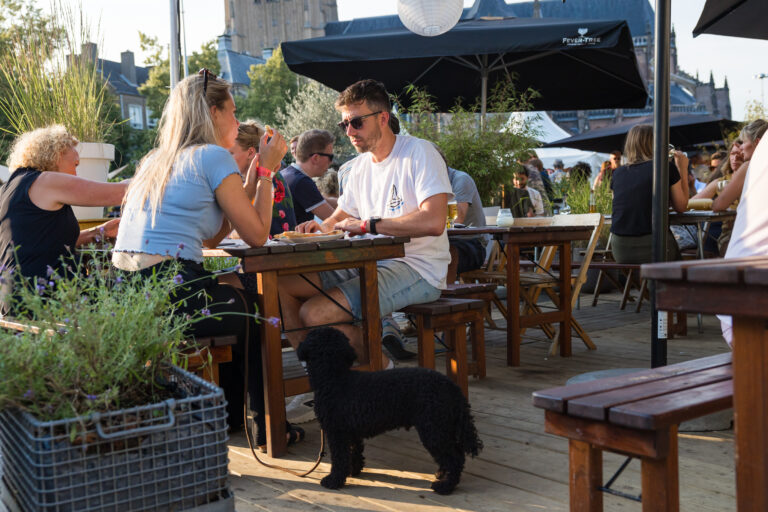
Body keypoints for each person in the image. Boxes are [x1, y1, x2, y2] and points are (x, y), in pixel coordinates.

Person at [110, 70, 300, 448]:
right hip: (170, 287)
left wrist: (250, 184)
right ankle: (268, 426)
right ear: (213, 113)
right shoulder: (212, 156)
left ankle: (230, 416)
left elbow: (208, 237)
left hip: (129, 290)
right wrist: (266, 171)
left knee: (234, 296)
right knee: (256, 310)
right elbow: (257, 236)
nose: (237, 121)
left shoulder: (156, 159)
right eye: (233, 111)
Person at [278, 78, 452, 370]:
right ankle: (320, 374)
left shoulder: (419, 152)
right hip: (367, 262)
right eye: (344, 124)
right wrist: (320, 228)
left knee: (316, 314)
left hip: (417, 266)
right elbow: (341, 216)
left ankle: (384, 375)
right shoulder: (357, 167)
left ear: (383, 118)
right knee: (281, 285)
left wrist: (369, 225)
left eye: (356, 122)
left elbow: (434, 221)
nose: (349, 132)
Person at [0, 125, 126, 311]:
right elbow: (119, 193)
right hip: (44, 300)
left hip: (17, 299)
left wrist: (98, 232)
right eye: (75, 165)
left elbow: (41, 243)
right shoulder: (46, 181)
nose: (76, 173)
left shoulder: (9, 187)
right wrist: (158, 173)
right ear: (56, 155)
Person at [610, 124, 689, 263]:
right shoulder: (664, 167)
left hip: (620, 249)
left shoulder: (618, 173)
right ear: (656, 143)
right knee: (680, 266)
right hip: (654, 245)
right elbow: (681, 206)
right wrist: (682, 168)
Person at [718, 134, 768, 347]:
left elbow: (717, 204)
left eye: (742, 142)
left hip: (736, 304)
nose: (738, 149)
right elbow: (719, 204)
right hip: (749, 307)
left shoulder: (754, 163)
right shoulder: (749, 166)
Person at [229, 120, 296, 236]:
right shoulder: (269, 175)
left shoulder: (264, 178)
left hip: (273, 245)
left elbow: (249, 228)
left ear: (250, 153)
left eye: (230, 154)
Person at [281, 129, 336, 224]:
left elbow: (323, 200)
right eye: (330, 157)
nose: (331, 162)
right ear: (316, 158)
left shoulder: (287, 174)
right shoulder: (302, 182)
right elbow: (336, 221)